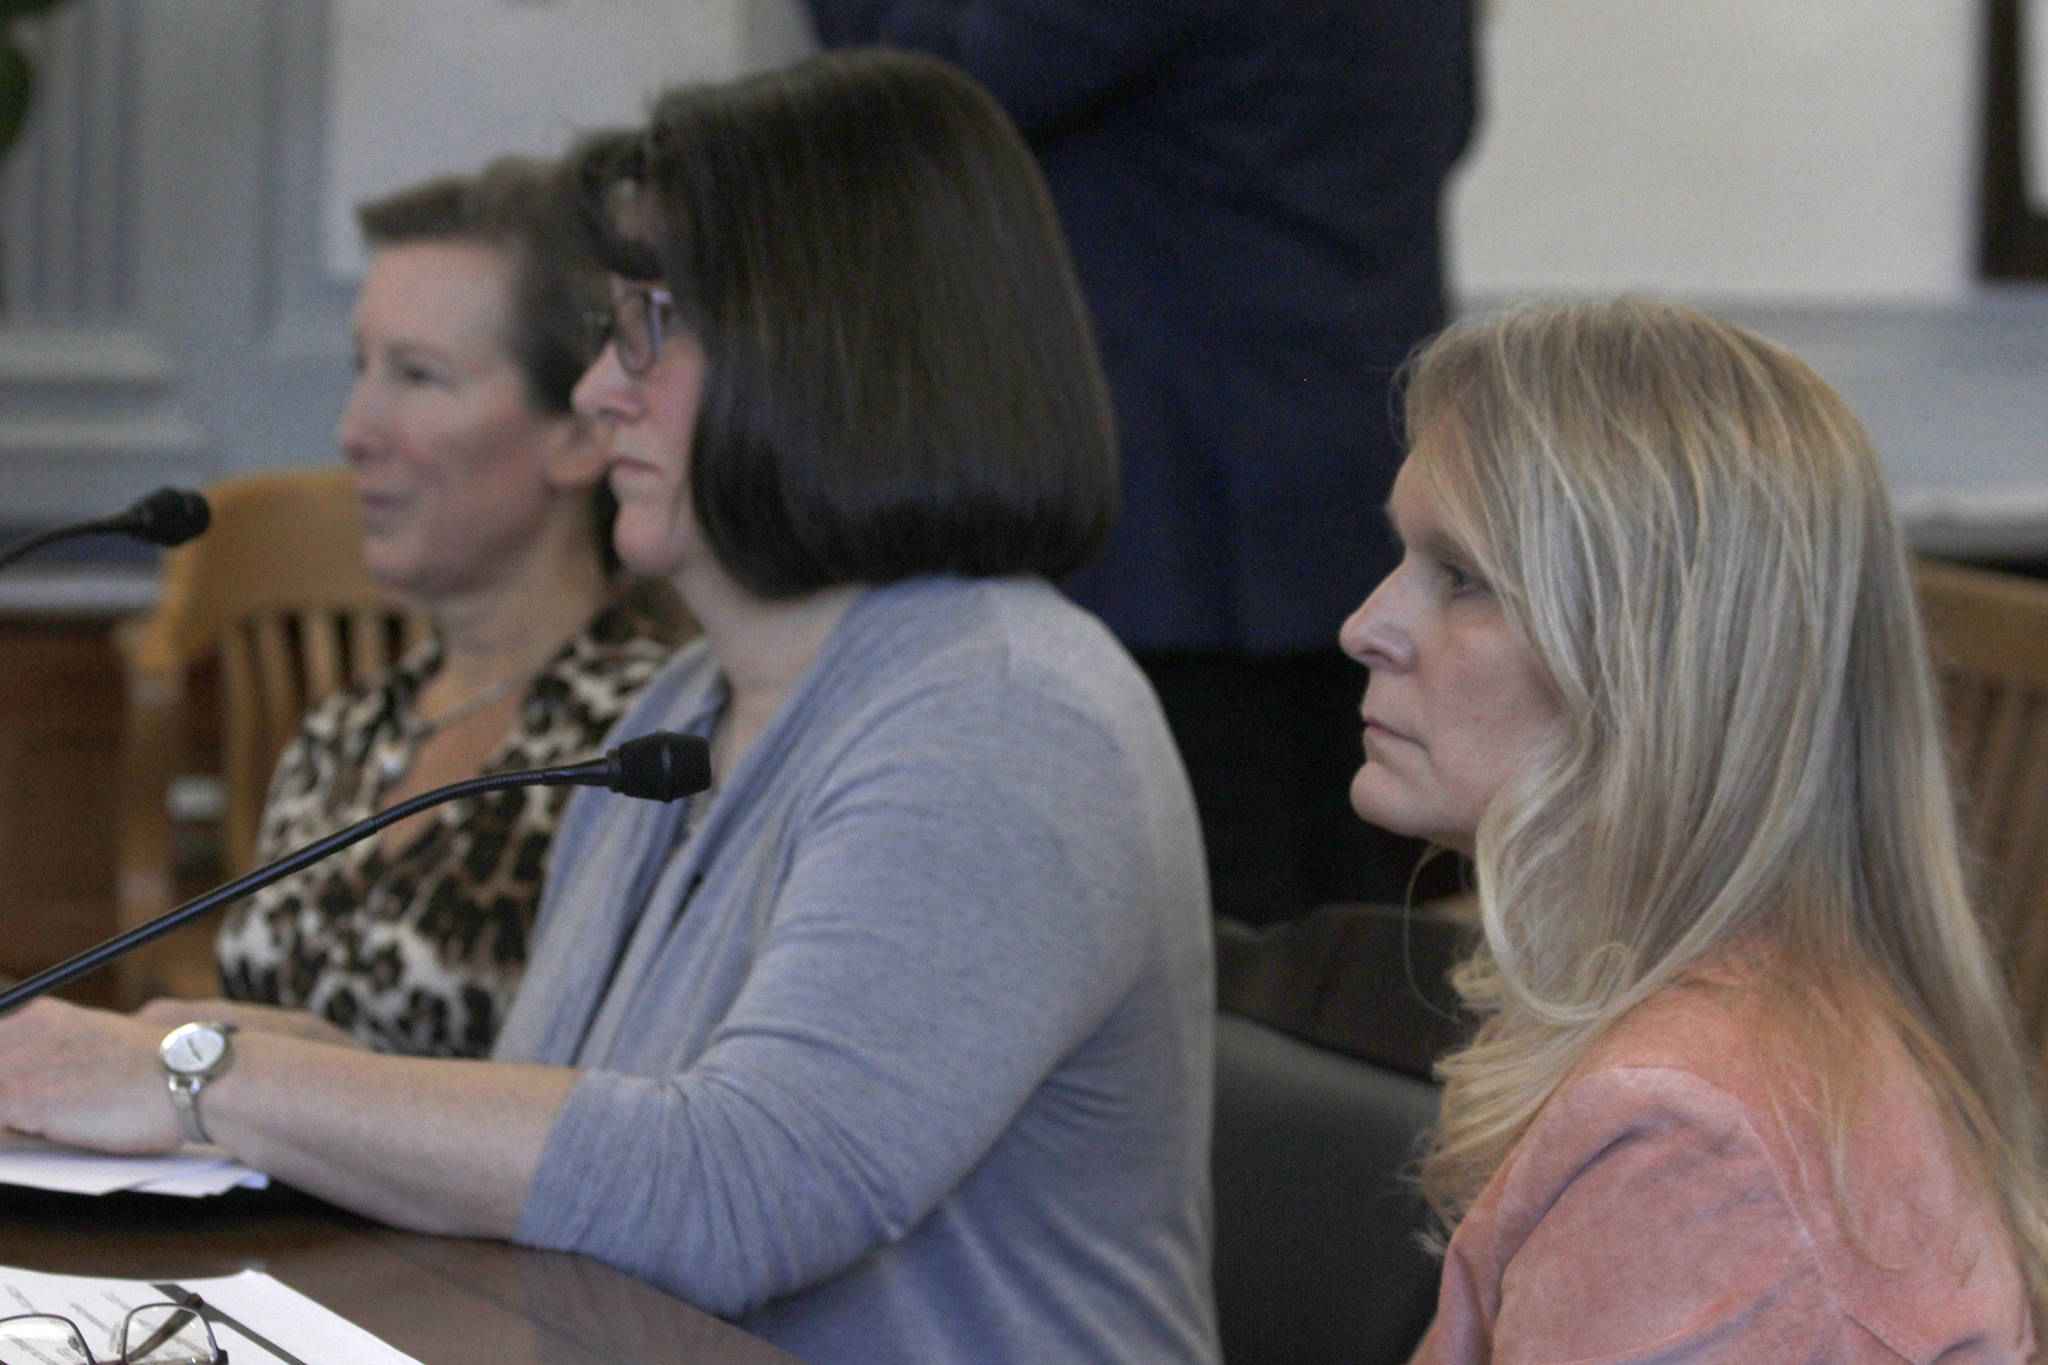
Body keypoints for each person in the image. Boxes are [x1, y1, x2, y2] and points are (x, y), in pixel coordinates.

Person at [0, 51, 1218, 1365]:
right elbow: (576, 1119)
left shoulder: (1004, 720)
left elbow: (739, 1192)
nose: (594, 390)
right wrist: (215, 1053)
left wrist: (203, 1082)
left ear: (828, 341)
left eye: (653, 320)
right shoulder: (691, 700)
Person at [1340, 299, 2044, 1359]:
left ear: (1652, 670)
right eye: (1404, 558)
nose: (1365, 627)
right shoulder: (1742, 1017)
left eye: (1463, 578)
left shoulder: (1689, 1137)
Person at [799, 0, 1478, 923]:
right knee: (1355, 943)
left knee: (1228, 950)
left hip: (1187, 523)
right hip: (1351, 486)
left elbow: (925, 85)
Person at [199, 160, 681, 1058]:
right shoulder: (342, 734)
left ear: (581, 432)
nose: (355, 429)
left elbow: (634, 1103)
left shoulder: (649, 744)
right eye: (362, 368)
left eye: (418, 377)